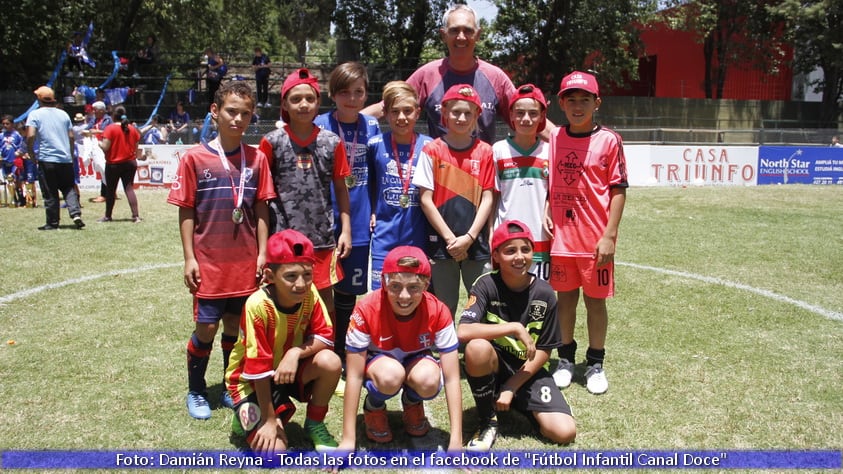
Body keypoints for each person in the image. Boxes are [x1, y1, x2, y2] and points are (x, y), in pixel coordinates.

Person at [167, 81, 276, 419]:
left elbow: (261, 210)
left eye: (245, 113)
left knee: (236, 327)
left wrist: (262, 254)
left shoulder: (256, 158)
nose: (238, 119)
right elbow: (186, 209)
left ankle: (231, 386)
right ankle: (197, 390)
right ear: (215, 112)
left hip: (245, 263)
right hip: (210, 263)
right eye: (231, 111)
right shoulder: (195, 158)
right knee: (207, 328)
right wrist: (189, 257)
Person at [458, 220, 576, 451]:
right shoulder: (485, 285)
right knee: (477, 347)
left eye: (525, 249)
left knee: (564, 432)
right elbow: (464, 331)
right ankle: (487, 421)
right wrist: (513, 328)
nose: (519, 257)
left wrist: (512, 385)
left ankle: (521, 403)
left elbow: (544, 349)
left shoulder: (545, 292)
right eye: (510, 251)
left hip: (527, 371)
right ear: (496, 256)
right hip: (494, 365)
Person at [547, 71, 628, 395]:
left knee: (596, 303)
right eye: (571, 100)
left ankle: (595, 363)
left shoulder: (609, 140)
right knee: (564, 301)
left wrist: (609, 235)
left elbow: (619, 189)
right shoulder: (554, 138)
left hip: (595, 241)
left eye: (585, 100)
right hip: (563, 240)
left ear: (597, 103)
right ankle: (565, 360)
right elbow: (549, 181)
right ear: (561, 103)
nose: (577, 106)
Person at [258, 68, 352, 344]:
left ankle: (328, 354)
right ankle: (282, 354)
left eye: (309, 98)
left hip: (321, 240)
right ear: (284, 104)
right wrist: (263, 247)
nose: (303, 104)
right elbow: (263, 198)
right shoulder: (271, 142)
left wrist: (345, 230)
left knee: (325, 301)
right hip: (282, 241)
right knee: (281, 300)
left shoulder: (331, 142)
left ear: (317, 102)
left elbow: (341, 190)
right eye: (296, 99)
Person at [226, 229, 341, 453]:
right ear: (270, 277)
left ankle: (315, 423)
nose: (301, 284)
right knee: (274, 454)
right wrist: (268, 420)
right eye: (291, 276)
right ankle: (249, 413)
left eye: (307, 274)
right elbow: (257, 367)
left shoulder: (310, 294)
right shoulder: (257, 305)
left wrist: (295, 353)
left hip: (286, 371)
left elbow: (326, 337)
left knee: (331, 362)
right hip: (250, 381)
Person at [338, 245, 462, 450]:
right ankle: (374, 406)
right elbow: (354, 375)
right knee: (390, 375)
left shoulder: (438, 310)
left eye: (413, 287)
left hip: (415, 359)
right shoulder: (366, 309)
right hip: (381, 363)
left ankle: (412, 402)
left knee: (430, 379)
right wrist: (348, 440)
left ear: (426, 285)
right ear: (384, 282)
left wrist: (456, 441)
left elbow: (451, 377)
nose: (404, 296)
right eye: (395, 286)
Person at [361, 4, 525, 144]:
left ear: (478, 34)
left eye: (467, 30)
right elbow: (387, 106)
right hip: (439, 172)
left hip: (482, 173)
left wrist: (552, 136)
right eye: (454, 30)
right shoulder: (427, 75)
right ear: (443, 35)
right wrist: (342, 120)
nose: (461, 37)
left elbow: (527, 113)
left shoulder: (495, 77)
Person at [313, 61, 380, 367]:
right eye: (344, 92)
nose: (351, 98)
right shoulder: (320, 125)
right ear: (332, 94)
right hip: (325, 220)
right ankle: (317, 349)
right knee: (320, 287)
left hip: (361, 219)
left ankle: (340, 351)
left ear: (365, 95)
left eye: (358, 92)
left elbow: (379, 173)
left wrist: (376, 209)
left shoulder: (373, 127)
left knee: (348, 293)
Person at [412, 83, 495, 318]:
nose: (461, 117)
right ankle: (444, 350)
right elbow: (425, 199)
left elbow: (488, 197)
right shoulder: (432, 150)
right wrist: (451, 239)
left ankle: (480, 348)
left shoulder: (486, 151)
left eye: (468, 113)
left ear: (477, 115)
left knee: (481, 300)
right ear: (444, 113)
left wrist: (469, 238)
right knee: (443, 305)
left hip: (475, 243)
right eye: (455, 111)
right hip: (441, 242)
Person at [368, 81, 433, 290]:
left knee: (414, 295)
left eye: (407, 111)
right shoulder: (375, 144)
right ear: (385, 113)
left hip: (418, 237)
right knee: (381, 295)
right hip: (384, 236)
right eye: (395, 111)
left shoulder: (430, 146)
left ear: (418, 112)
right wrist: (371, 211)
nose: (401, 117)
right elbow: (367, 184)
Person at [492, 84, 552, 280]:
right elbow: (492, 198)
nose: (526, 119)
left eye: (533, 113)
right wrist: (490, 233)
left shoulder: (550, 152)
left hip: (541, 243)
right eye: (520, 113)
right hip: (506, 242)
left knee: (538, 304)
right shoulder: (498, 151)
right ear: (511, 115)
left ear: (542, 116)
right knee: (507, 304)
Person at [25, 86, 85, 230]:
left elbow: (31, 135)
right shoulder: (63, 114)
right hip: (65, 159)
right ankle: (75, 213)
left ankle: (52, 222)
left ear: (39, 99)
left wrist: (31, 152)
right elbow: (71, 137)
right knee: (68, 188)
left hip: (47, 159)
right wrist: (70, 154)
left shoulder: (35, 114)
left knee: (50, 191)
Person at [98, 106, 142, 223]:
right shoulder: (132, 129)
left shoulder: (110, 129)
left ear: (113, 116)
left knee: (111, 190)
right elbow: (136, 148)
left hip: (114, 164)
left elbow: (105, 147)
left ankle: (108, 216)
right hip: (130, 162)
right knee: (129, 188)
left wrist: (99, 143)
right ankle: (135, 216)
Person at [84, 101, 112, 203]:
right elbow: (87, 129)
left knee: (103, 168)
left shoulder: (108, 120)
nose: (93, 112)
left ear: (101, 110)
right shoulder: (94, 119)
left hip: (105, 147)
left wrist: (98, 132)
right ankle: (110, 191)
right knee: (102, 169)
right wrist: (85, 131)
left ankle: (104, 194)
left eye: (95, 110)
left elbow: (111, 132)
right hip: (96, 147)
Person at [1, 115, 26, 207]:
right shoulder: (1, 135)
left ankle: (21, 197)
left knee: (17, 180)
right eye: (3, 124)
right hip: (4, 161)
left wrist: (20, 153)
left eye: (7, 123)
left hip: (15, 161)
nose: (5, 125)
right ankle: (13, 198)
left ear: (12, 124)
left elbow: (22, 146)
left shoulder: (17, 135)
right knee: (9, 180)